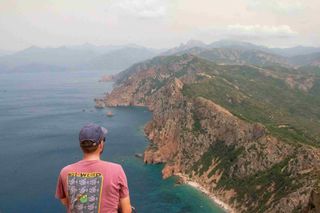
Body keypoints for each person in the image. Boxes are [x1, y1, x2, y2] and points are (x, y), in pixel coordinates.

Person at [55, 123, 132, 213]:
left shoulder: (65, 171)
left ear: (81, 146)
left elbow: (65, 201)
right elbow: (127, 209)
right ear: (101, 144)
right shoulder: (117, 170)